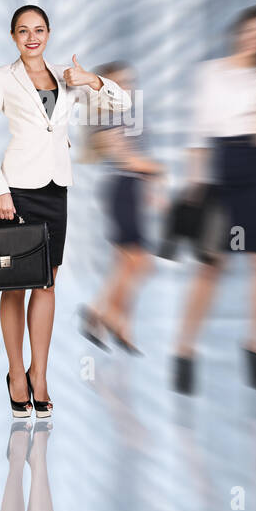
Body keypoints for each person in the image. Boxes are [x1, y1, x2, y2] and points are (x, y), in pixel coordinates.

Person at [0, 5, 132, 417]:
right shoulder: (1, 78)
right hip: (18, 191)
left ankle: (39, 375)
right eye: (23, 31)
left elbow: (122, 105)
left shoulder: (66, 75)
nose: (31, 37)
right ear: (13, 36)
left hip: (55, 190)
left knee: (46, 284)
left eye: (39, 29)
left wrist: (92, 79)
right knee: (14, 284)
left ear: (48, 33)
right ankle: (15, 373)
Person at [173, 5, 256, 394]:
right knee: (211, 266)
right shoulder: (211, 72)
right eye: (252, 30)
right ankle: (184, 352)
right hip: (223, 170)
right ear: (239, 31)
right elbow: (197, 134)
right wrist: (195, 188)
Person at [78, 62, 163, 354]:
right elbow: (127, 159)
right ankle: (102, 314)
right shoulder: (105, 116)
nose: (126, 87)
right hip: (122, 189)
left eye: (128, 81)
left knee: (125, 263)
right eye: (118, 83)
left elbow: (139, 154)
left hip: (133, 189)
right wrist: (158, 170)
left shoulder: (131, 114)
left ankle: (117, 322)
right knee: (141, 262)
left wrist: (151, 184)